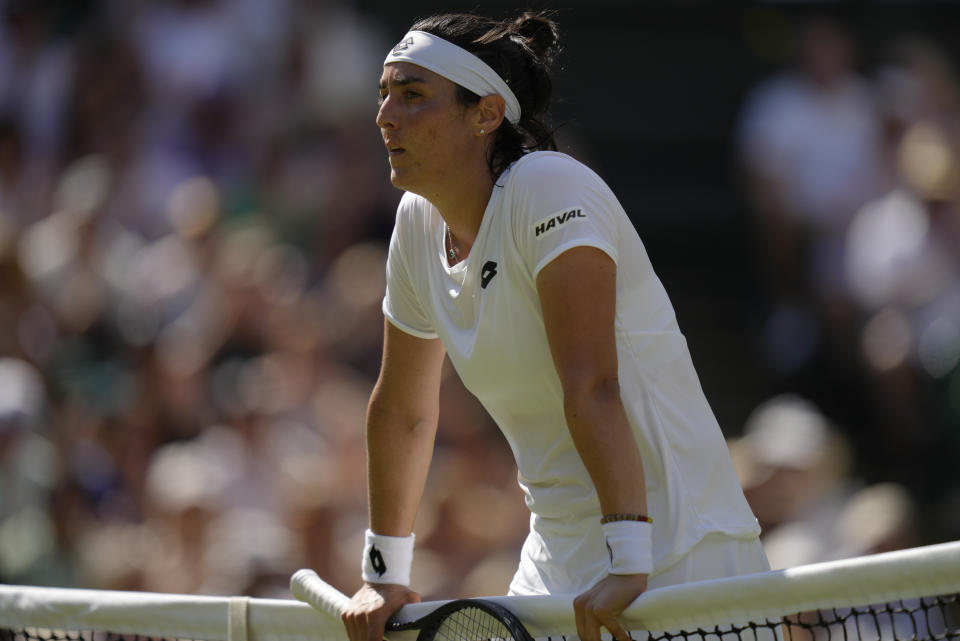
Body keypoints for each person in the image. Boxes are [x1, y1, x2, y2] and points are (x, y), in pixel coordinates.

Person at [342, 12, 768, 641]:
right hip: (558, 564)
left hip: (681, 553)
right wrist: (383, 573)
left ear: (486, 114)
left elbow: (592, 383)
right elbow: (403, 408)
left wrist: (629, 560)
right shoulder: (415, 223)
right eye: (384, 95)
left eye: (411, 97)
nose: (385, 116)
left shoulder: (548, 186)